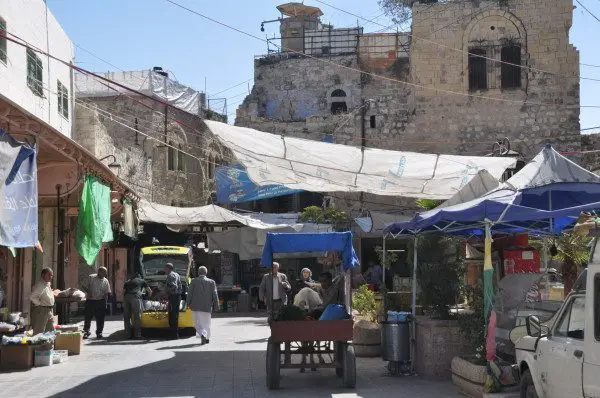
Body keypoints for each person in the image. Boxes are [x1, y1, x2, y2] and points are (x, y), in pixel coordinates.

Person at [186, 266, 219, 344]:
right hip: (207, 306)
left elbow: (189, 293)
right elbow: (215, 294)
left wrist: (187, 304)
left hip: (195, 307)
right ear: (206, 273)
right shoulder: (212, 282)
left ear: (198, 272)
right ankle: (206, 338)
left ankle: (202, 335)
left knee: (196, 323)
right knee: (207, 323)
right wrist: (216, 305)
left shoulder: (194, 281)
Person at [82, 267, 111, 339]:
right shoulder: (91, 277)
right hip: (91, 300)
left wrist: (105, 300)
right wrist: (89, 291)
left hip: (101, 301)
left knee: (100, 318)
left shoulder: (105, 280)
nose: (105, 274)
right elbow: (84, 285)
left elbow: (107, 291)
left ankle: (99, 332)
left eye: (106, 272)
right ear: (99, 272)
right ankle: (86, 331)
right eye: (104, 272)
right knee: (88, 317)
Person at [123, 272, 152, 339]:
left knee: (126, 317)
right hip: (135, 297)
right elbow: (150, 291)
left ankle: (127, 335)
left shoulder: (127, 281)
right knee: (137, 316)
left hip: (126, 297)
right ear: (139, 276)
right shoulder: (142, 280)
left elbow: (123, 292)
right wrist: (149, 298)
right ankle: (137, 335)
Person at [30, 267, 56, 334]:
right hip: (42, 310)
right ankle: (37, 344)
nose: (51, 277)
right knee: (39, 331)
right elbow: (32, 297)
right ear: (43, 275)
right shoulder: (40, 285)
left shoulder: (47, 284)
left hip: (49, 310)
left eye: (51, 275)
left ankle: (48, 344)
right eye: (49, 275)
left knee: (50, 331)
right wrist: (39, 304)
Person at [164, 262, 182, 339]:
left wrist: (167, 293)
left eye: (165, 268)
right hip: (176, 297)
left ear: (169, 268)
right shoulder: (176, 274)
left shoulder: (171, 275)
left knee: (173, 315)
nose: (164, 269)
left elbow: (174, 286)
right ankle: (174, 334)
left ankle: (174, 335)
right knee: (174, 315)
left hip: (174, 297)